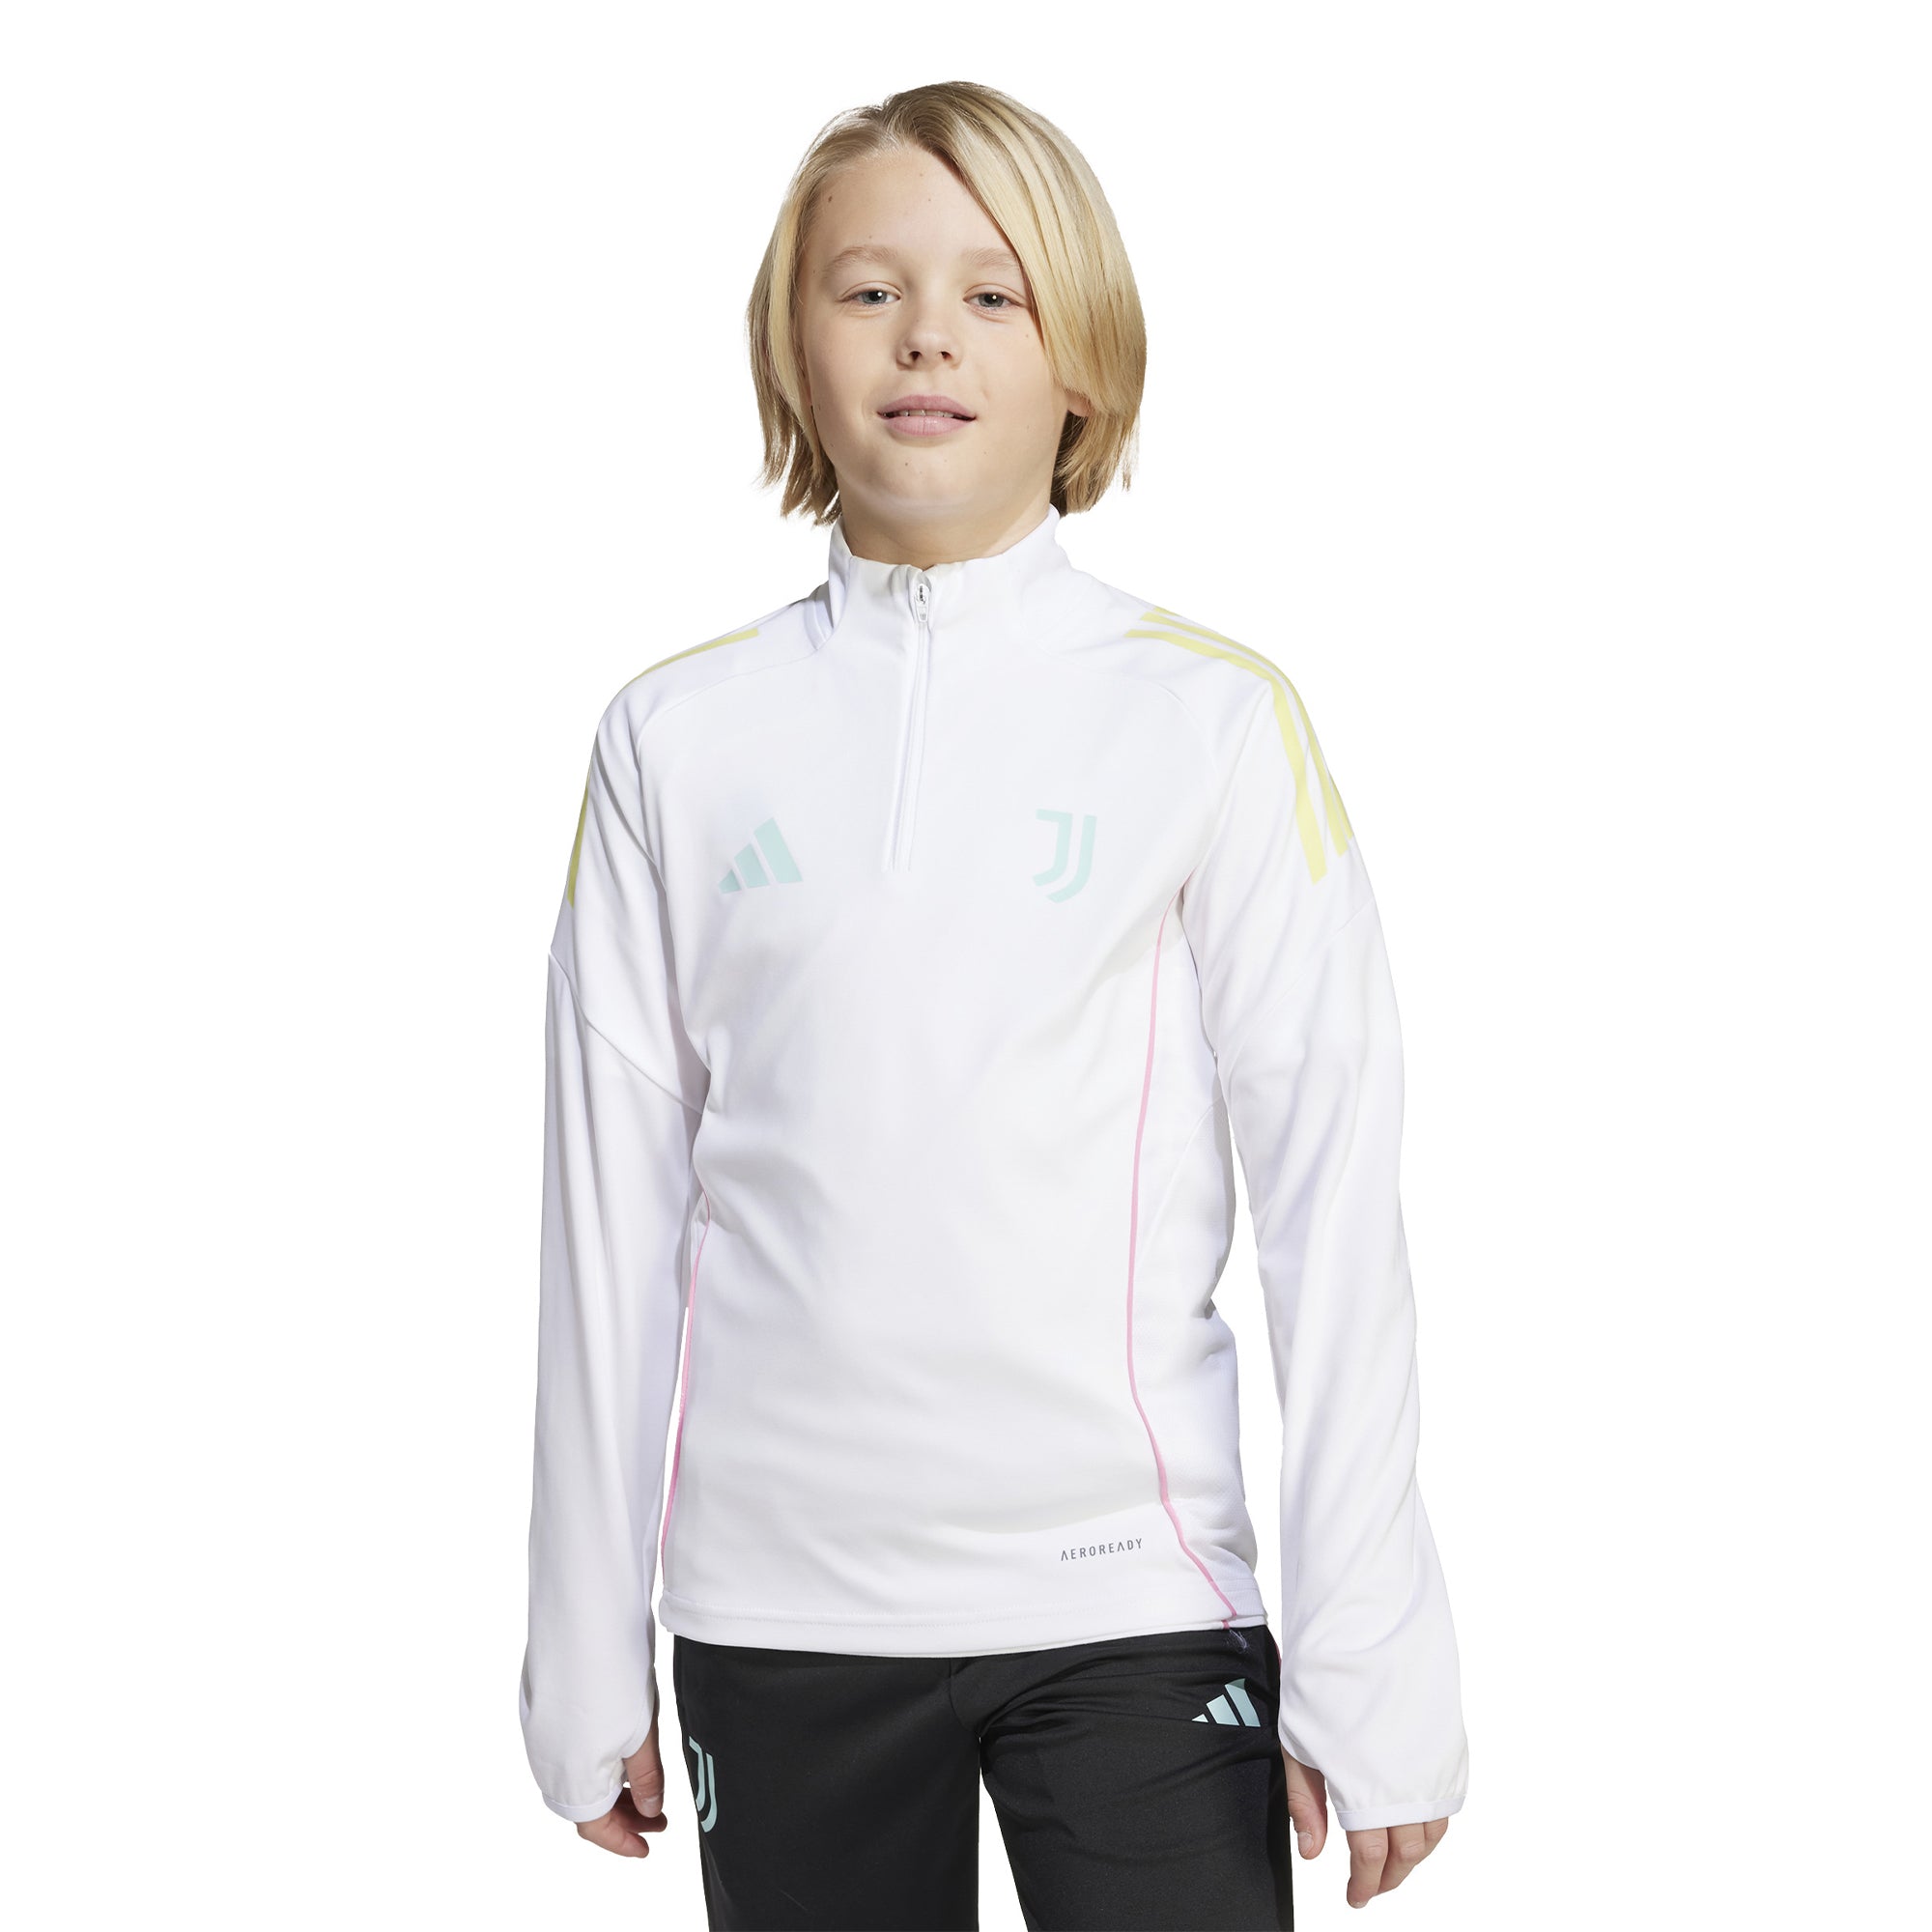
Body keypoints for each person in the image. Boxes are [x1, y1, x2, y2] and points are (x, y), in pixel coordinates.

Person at [518, 80, 1467, 1928]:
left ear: (1080, 362)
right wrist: (581, 1642)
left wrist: (1376, 1652)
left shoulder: (1209, 720)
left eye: (993, 292)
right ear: (792, 352)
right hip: (780, 1620)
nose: (927, 336)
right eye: (869, 290)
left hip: (1129, 1599)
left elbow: (1334, 1208)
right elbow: (607, 1225)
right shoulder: (675, 740)